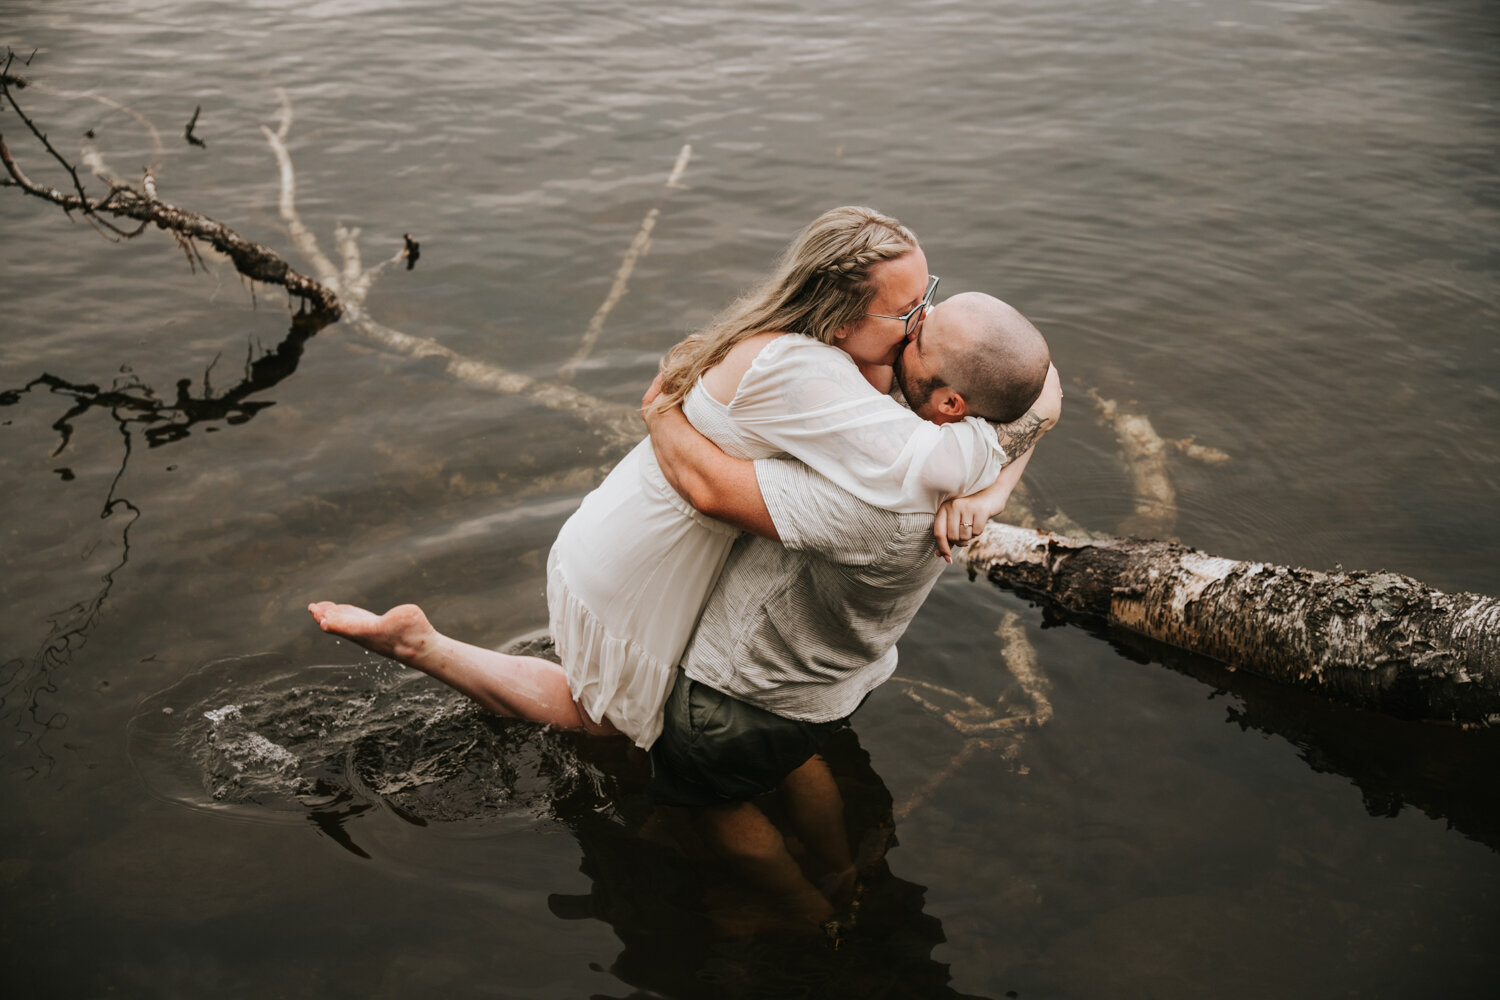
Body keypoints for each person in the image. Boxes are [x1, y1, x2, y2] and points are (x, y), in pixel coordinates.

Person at [311, 207, 1038, 750]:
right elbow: (945, 459)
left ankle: (422, 645)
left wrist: (992, 494)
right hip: (648, 558)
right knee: (608, 724)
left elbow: (1039, 379)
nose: (926, 323)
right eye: (909, 311)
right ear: (842, 318)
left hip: (626, 525)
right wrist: (987, 481)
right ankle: (420, 648)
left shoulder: (822, 343)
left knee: (599, 708)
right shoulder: (802, 372)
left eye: (929, 295)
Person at [636, 291, 1059, 928]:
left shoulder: (876, 507)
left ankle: (813, 919)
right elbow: (1046, 384)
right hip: (836, 682)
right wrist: (995, 492)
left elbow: (706, 487)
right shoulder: (978, 433)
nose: (909, 330)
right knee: (799, 757)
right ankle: (839, 874)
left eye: (920, 339)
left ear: (950, 402)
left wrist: (660, 409)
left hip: (743, 692)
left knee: (713, 807)